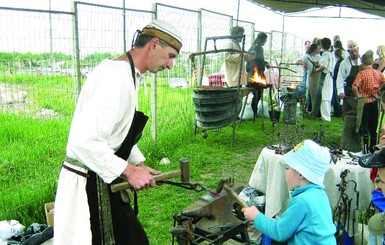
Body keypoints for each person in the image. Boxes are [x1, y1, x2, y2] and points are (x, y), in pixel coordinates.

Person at [53, 19, 183, 245]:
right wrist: (129, 171)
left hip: (102, 176)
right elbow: (84, 141)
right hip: (88, 184)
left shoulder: (128, 75)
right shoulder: (115, 78)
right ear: (153, 44)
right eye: (171, 56)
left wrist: (138, 164)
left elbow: (117, 134)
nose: (170, 65)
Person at [241, 139, 336, 244]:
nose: (285, 173)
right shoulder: (320, 195)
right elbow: (288, 226)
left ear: (301, 174)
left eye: (288, 168)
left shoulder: (302, 201)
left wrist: (256, 216)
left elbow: (279, 232)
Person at [352, 50, 385, 153]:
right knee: (373, 126)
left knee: (364, 126)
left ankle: (365, 149)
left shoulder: (361, 73)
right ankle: (373, 148)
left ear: (362, 63)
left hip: (365, 102)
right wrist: (379, 92)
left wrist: (358, 96)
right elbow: (384, 84)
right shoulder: (378, 73)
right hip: (375, 102)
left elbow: (354, 86)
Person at [246, 32, 269, 117]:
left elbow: (261, 59)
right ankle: (254, 112)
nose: (265, 42)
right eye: (264, 40)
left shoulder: (261, 49)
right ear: (259, 39)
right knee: (256, 94)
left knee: (259, 94)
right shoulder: (253, 48)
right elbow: (250, 61)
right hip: (253, 74)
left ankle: (255, 113)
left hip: (260, 74)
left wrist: (265, 63)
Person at [336, 40, 361, 116]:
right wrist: (340, 91)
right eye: (352, 52)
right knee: (347, 114)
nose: (354, 53)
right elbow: (340, 78)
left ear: (358, 49)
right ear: (348, 52)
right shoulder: (344, 63)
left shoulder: (363, 61)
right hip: (349, 91)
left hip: (361, 91)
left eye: (356, 51)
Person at [312, 37, 334, 121]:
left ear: (322, 45)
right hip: (328, 76)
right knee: (326, 95)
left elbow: (323, 66)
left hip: (325, 76)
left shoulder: (326, 54)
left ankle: (326, 117)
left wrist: (316, 69)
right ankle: (324, 115)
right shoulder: (330, 54)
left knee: (325, 96)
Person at [303, 43, 321, 113]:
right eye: (318, 48)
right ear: (314, 49)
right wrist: (304, 65)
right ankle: (313, 110)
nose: (319, 50)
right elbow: (301, 63)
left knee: (318, 95)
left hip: (318, 78)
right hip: (311, 78)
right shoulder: (306, 57)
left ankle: (317, 111)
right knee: (312, 95)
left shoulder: (318, 57)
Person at [331, 48, 343, 117]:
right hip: (335, 79)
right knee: (336, 97)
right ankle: (337, 111)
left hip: (336, 80)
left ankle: (337, 112)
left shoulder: (339, 62)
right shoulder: (340, 61)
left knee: (336, 97)